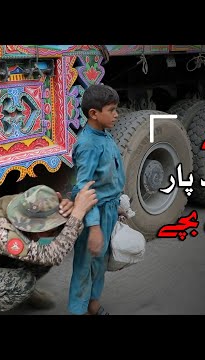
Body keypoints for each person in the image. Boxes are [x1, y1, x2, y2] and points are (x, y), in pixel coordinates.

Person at [0, 182, 98, 315]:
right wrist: (77, 214)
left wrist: (66, 210)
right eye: (49, 226)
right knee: (25, 281)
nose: (53, 230)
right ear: (30, 224)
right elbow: (52, 255)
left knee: (45, 248)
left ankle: (19, 291)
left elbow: (50, 243)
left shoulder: (25, 203)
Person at [68, 84, 126, 315]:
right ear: (94, 113)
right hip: (94, 213)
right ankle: (77, 310)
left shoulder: (104, 134)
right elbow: (84, 187)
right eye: (111, 110)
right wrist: (93, 227)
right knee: (84, 265)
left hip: (109, 210)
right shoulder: (88, 145)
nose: (116, 114)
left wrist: (119, 204)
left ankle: (92, 303)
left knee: (100, 262)